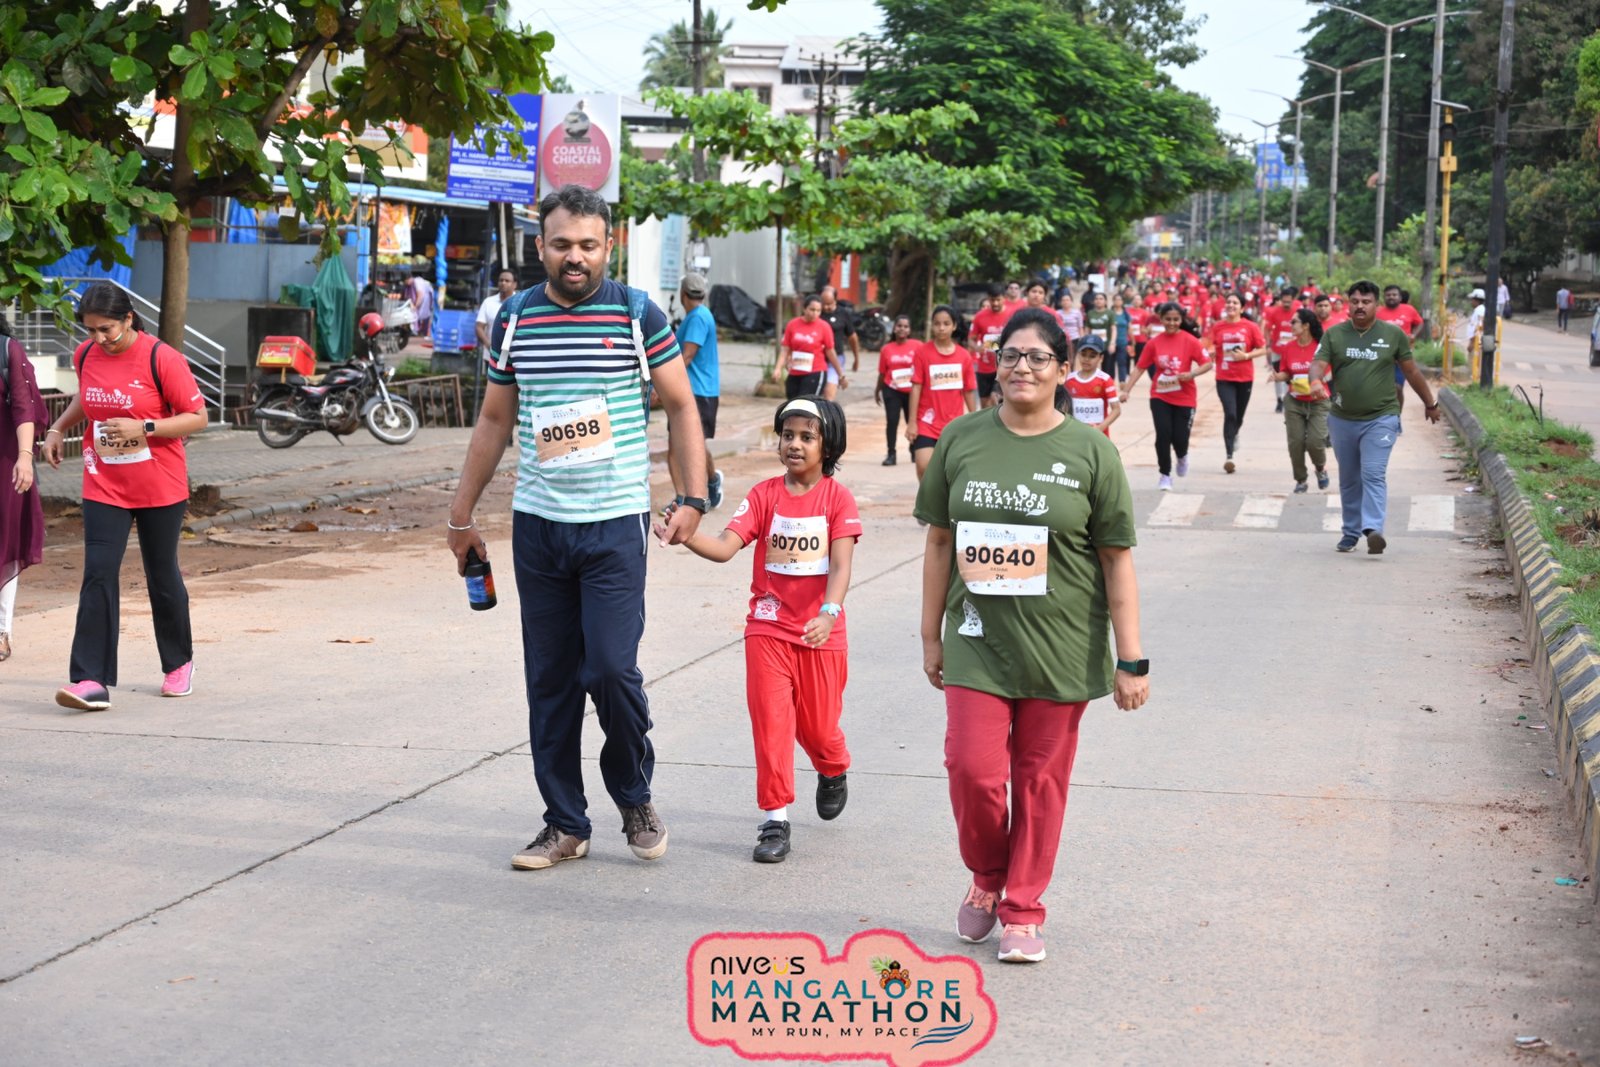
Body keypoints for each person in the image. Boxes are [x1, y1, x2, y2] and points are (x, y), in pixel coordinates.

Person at [445, 184, 707, 870]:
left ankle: (634, 794)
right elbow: (494, 420)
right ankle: (565, 822)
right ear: (540, 246)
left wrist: (692, 497)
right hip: (540, 525)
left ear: (607, 247)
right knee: (552, 678)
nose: (575, 257)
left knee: (612, 669)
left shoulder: (636, 313)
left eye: (588, 245)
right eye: (561, 243)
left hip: (614, 524)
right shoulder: (516, 317)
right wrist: (461, 516)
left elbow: (681, 406)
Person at [914, 305, 1147, 964]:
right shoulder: (960, 438)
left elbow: (1116, 559)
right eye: (1011, 355)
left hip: (1062, 646)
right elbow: (938, 542)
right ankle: (988, 874)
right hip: (976, 641)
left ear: (1062, 368)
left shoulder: (1092, 451)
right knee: (971, 769)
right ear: (995, 363)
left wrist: (1131, 657)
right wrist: (930, 635)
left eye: (1038, 357)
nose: (1023, 367)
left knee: (1040, 782)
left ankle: (1023, 907)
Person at [668, 397, 860, 863]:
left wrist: (828, 613)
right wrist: (685, 534)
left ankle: (832, 767)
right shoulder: (762, 495)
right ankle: (775, 820)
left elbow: (840, 566)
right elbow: (724, 547)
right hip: (768, 630)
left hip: (819, 633)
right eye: (787, 435)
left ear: (828, 445)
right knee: (772, 724)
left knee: (819, 731)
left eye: (807, 437)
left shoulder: (838, 499)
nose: (794, 444)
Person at [41, 283, 208, 710]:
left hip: (159, 485)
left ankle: (179, 662)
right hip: (105, 483)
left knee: (161, 575)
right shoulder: (86, 354)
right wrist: (58, 428)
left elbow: (197, 416)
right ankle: (90, 679)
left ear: (128, 319)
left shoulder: (161, 358)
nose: (99, 339)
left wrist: (145, 428)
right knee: (98, 573)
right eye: (91, 330)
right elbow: (88, 398)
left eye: (107, 330)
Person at [1310, 280, 1441, 555]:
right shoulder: (1334, 334)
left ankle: (1373, 529)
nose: (1360, 306)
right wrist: (1314, 381)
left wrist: (1430, 403)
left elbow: (1411, 371)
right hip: (1342, 418)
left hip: (1381, 417)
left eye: (1366, 302)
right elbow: (1318, 364)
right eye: (1355, 301)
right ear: (1348, 304)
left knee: (1373, 472)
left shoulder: (1393, 334)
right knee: (1349, 478)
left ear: (1376, 305)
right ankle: (1350, 533)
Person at [1123, 302, 1213, 491]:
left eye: (1176, 319)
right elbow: (1140, 367)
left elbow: (1207, 363)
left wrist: (1192, 374)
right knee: (1163, 435)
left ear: (1181, 320)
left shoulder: (1190, 341)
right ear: (1161, 319)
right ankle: (1165, 475)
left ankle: (1182, 456)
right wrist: (1126, 390)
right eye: (1168, 319)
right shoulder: (1154, 343)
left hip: (1185, 397)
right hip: (1160, 396)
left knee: (1180, 438)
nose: (1172, 323)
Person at [1, 315, 48, 663]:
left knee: (5, 544)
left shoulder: (7, 350)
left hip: (5, 462)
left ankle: (1, 630)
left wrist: (25, 457)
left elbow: (23, 407)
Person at [906, 305, 978, 484]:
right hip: (927, 423)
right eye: (937, 324)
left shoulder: (964, 356)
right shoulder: (922, 352)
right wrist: (912, 422)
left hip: (954, 425)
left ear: (954, 326)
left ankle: (945, 500)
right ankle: (928, 499)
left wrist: (975, 421)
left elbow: (968, 390)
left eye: (946, 324)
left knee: (952, 471)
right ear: (932, 325)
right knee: (923, 466)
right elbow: (916, 388)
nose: (941, 328)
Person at [673, 273, 723, 510]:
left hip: (700, 391)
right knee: (681, 443)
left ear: (683, 294)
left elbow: (688, 355)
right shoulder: (697, 316)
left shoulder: (698, 318)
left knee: (693, 445)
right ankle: (684, 495)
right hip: (693, 390)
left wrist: (664, 382)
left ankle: (707, 484)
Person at [1203, 293, 1268, 474]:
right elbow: (1209, 345)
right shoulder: (1218, 326)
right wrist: (1210, 352)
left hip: (1244, 377)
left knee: (1238, 416)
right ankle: (1229, 455)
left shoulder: (1250, 327)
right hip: (1224, 377)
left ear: (1242, 307)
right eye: (1229, 302)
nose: (1231, 305)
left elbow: (1263, 349)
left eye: (1235, 302)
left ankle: (1235, 433)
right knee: (1230, 413)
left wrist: (1246, 355)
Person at [1268, 309, 1331, 494]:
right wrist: (1278, 376)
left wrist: (1319, 383)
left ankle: (1320, 468)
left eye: (1294, 322)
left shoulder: (1321, 347)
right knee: (1295, 443)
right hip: (1295, 402)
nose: (1290, 325)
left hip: (1318, 401)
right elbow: (1287, 372)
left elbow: (1331, 372)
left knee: (1315, 442)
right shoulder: (1288, 347)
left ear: (1306, 325)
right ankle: (1301, 480)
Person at [773, 296, 843, 401]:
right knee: (792, 403)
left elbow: (830, 351)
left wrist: (840, 373)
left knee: (805, 403)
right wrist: (778, 368)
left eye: (818, 310)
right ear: (804, 309)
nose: (815, 313)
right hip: (795, 371)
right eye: (812, 309)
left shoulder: (824, 327)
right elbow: (785, 349)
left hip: (816, 371)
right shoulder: (792, 324)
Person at [875, 315, 919, 466]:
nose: (902, 329)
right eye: (899, 326)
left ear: (910, 330)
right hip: (891, 389)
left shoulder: (917, 346)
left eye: (906, 326)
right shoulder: (886, 349)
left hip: (911, 391)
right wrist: (877, 390)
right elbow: (882, 373)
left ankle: (914, 449)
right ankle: (891, 454)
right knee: (892, 421)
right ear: (894, 328)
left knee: (911, 420)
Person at [1376, 285, 1425, 411]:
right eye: (1388, 295)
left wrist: (1413, 335)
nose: (1391, 297)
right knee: (1380, 389)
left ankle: (1397, 415)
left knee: (1397, 387)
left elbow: (1420, 322)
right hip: (1382, 356)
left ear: (1399, 297)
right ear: (1384, 297)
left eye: (1394, 295)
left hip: (1402, 357)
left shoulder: (1409, 309)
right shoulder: (1377, 312)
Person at [1061, 333, 1120, 435]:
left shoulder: (1105, 380)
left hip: (1098, 436)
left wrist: (1100, 428)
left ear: (1101, 358)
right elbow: (1063, 407)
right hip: (1075, 434)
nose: (1087, 359)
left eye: (1092, 356)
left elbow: (1116, 409)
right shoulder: (1069, 380)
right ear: (1078, 355)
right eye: (1083, 354)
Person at [968, 286, 1011, 410]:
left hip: (1005, 366)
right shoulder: (980, 316)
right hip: (985, 367)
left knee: (997, 399)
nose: (995, 303)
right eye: (992, 300)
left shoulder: (1012, 315)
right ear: (988, 299)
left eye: (998, 300)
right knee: (985, 404)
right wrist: (977, 348)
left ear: (1004, 298)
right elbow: (971, 339)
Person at [1261, 288, 1301, 414]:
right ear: (1280, 300)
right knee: (1277, 375)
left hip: (1293, 351)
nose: (1286, 304)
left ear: (1293, 300)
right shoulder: (1274, 312)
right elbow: (1267, 329)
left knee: (1291, 375)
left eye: (1289, 302)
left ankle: (1289, 399)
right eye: (1284, 302)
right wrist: (1268, 344)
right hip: (1277, 350)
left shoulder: (1297, 313)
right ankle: (1279, 399)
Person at [474, 268, 519, 352]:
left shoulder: (521, 303)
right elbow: (479, 327)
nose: (503, 283)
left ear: (514, 284)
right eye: (501, 280)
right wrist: (489, 345)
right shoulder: (488, 302)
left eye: (507, 281)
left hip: (514, 354)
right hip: (490, 355)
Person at [818, 285, 860, 374]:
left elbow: (852, 337)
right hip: (816, 357)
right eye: (823, 303)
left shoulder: (843, 313)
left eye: (829, 304)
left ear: (835, 301)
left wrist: (856, 358)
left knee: (830, 383)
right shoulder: (815, 313)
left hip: (836, 357)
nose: (825, 307)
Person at [407, 270, 435, 341]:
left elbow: (420, 295)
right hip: (427, 301)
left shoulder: (418, 282)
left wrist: (415, 306)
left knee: (423, 316)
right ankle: (421, 332)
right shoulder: (421, 282)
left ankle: (423, 333)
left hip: (426, 301)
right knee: (424, 316)